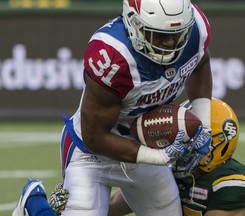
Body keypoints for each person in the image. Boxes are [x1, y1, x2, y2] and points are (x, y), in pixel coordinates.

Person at [13, 0, 213, 215]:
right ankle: (33, 203)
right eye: (159, 35)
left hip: (144, 142)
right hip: (91, 153)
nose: (170, 43)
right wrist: (160, 157)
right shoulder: (114, 55)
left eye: (177, 34)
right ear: (134, 24)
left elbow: (200, 62)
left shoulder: (195, 30)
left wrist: (205, 122)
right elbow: (95, 137)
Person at [13, 98, 245, 216]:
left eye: (191, 141)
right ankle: (35, 202)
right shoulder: (178, 172)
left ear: (216, 149)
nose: (180, 147)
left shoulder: (230, 185)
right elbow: (116, 206)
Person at [108, 98, 245, 216]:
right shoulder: (169, 171)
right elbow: (113, 205)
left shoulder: (228, 183)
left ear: (219, 146)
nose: (181, 150)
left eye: (191, 144)